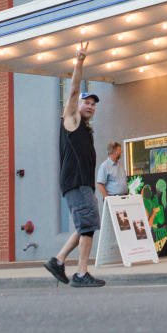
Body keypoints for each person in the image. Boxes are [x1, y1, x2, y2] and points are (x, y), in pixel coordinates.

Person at [44, 42, 106, 287]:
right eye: (86, 102)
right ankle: (81, 273)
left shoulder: (84, 129)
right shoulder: (71, 121)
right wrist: (79, 62)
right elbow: (73, 90)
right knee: (88, 224)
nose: (90, 106)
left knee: (86, 224)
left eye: (93, 103)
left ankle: (58, 261)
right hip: (76, 183)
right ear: (76, 106)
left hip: (82, 184)